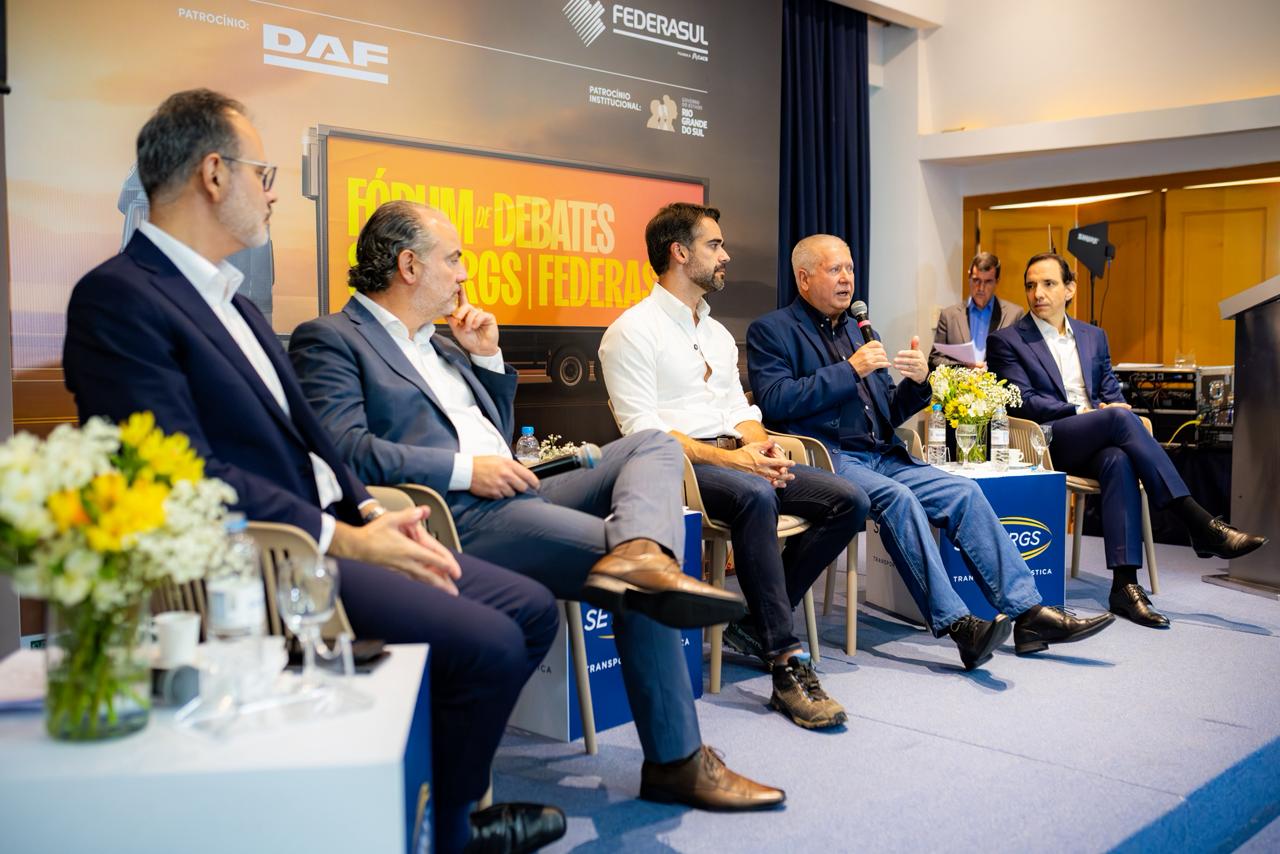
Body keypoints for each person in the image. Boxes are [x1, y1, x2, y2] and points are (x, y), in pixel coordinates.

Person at [61, 90, 565, 854]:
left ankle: (441, 813)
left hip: (338, 532)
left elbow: (320, 447)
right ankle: (440, 829)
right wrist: (343, 537)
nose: (272, 191)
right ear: (212, 174)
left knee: (527, 611)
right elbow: (184, 476)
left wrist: (367, 512)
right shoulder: (119, 298)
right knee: (489, 646)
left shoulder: (237, 303)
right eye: (261, 172)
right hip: (267, 557)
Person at [288, 200, 782, 812]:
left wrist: (487, 360)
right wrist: (469, 469)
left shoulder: (442, 347)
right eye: (455, 259)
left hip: (517, 487)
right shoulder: (333, 338)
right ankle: (677, 760)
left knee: (651, 444)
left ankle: (639, 554)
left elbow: (495, 433)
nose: (465, 273)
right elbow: (345, 451)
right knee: (640, 579)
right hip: (450, 513)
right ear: (408, 265)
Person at [747, 234, 1115, 668]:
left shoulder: (858, 329)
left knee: (962, 492)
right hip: (829, 458)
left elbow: (888, 411)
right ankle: (960, 625)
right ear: (804, 278)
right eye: (835, 270)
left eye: (849, 268)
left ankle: (1030, 613)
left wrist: (920, 383)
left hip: (882, 453)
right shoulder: (771, 330)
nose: (847, 279)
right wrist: (849, 370)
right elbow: (776, 400)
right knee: (899, 501)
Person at [599, 203, 868, 730]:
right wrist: (734, 459)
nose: (726, 256)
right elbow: (645, 436)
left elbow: (741, 412)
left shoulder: (718, 334)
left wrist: (761, 446)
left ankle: (753, 618)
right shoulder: (630, 332)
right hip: (679, 467)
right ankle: (786, 664)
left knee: (848, 500)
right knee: (756, 496)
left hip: (736, 457)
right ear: (680, 253)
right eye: (714, 246)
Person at [986, 253, 1268, 627]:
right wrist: (1084, 413)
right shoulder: (1007, 340)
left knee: (1118, 458)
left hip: (1100, 438)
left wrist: (1112, 405)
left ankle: (1124, 585)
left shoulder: (1092, 336)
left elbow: (1109, 390)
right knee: (1119, 419)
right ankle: (1198, 522)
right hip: (1049, 440)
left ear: (1070, 289)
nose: (1038, 293)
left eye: (1049, 284)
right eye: (1031, 285)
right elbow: (1022, 400)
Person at [928, 251, 1024, 370]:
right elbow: (934, 359)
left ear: (997, 281)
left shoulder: (1014, 315)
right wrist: (964, 368)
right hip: (960, 387)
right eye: (976, 280)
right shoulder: (948, 315)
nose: (981, 288)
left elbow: (1020, 360)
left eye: (988, 281)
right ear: (969, 278)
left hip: (998, 386)